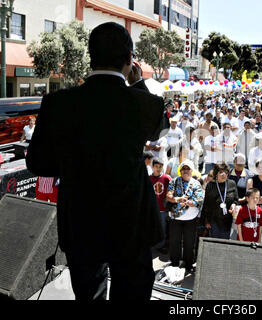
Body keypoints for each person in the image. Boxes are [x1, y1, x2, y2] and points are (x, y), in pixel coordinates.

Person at [26, 22, 164, 300]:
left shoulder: (57, 103)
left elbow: (37, 163)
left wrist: (74, 164)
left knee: (88, 295)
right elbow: (158, 131)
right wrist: (137, 83)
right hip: (132, 223)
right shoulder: (145, 103)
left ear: (90, 56)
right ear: (129, 60)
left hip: (81, 222)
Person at [165, 160, 204, 274]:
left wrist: (187, 202)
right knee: (174, 241)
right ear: (180, 171)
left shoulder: (196, 183)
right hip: (175, 218)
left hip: (190, 219)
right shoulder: (174, 181)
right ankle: (174, 263)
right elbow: (169, 196)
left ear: (192, 171)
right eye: (183, 169)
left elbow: (199, 200)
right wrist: (177, 199)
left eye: (188, 169)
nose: (185, 171)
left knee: (189, 243)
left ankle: (188, 264)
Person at [201, 163, 239, 239]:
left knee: (224, 243)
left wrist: (234, 205)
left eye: (226, 172)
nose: (223, 174)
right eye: (221, 172)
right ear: (216, 174)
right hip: (214, 219)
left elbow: (236, 199)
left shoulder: (232, 184)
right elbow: (206, 204)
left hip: (227, 220)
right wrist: (206, 221)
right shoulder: (211, 185)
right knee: (214, 242)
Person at [150, 158, 172, 254]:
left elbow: (172, 188)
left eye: (160, 167)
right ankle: (153, 244)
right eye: (156, 167)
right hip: (152, 209)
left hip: (163, 209)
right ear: (152, 167)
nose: (158, 169)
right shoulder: (148, 178)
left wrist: (168, 200)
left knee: (162, 227)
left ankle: (161, 245)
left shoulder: (166, 178)